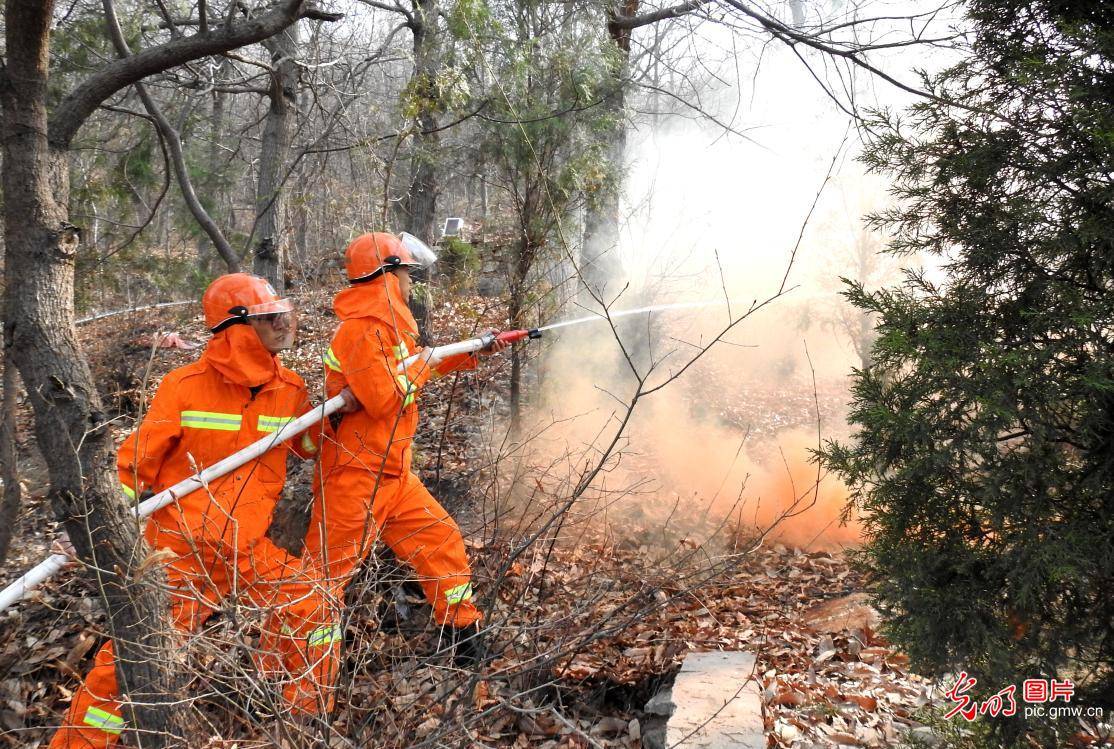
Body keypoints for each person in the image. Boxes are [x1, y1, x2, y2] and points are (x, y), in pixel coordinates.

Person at [51, 274, 351, 747]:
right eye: (268, 317)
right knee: (130, 665)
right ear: (237, 328)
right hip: (177, 557)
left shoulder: (289, 388)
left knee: (315, 606)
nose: (281, 324)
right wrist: (89, 526)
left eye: (281, 314)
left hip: (245, 550)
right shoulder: (184, 387)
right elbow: (133, 466)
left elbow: (307, 447)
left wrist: (336, 412)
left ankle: (302, 721)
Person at [304, 232, 504, 700]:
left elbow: (409, 370)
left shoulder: (389, 326)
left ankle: (464, 640)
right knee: (321, 583)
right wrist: (425, 361)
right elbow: (383, 398)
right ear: (387, 274)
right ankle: (299, 692)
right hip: (354, 478)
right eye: (407, 272)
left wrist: (468, 354)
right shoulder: (359, 329)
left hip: (392, 473)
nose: (412, 281)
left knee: (439, 539)